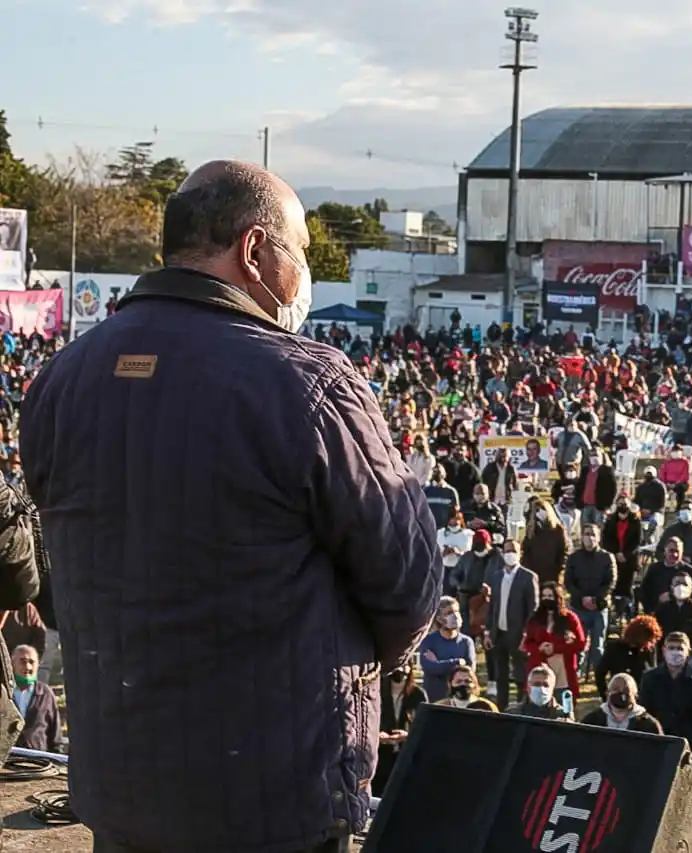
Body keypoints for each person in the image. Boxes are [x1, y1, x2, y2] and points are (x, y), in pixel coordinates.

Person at [21, 160, 443, 853]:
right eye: (300, 251)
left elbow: (58, 570)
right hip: (272, 795)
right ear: (253, 250)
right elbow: (408, 583)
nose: (303, 272)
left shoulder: (63, 378)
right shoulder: (308, 384)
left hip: (121, 786)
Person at [639, 632, 692, 767]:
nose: (675, 652)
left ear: (688, 652)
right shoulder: (650, 678)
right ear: (664, 650)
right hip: (656, 744)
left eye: (680, 648)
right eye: (671, 648)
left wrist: (679, 738)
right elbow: (644, 712)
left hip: (687, 746)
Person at [484, 539, 538, 711]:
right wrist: (488, 631)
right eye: (507, 550)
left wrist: (526, 634)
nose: (510, 554)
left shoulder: (528, 577)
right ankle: (502, 706)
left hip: (518, 633)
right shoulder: (496, 576)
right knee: (501, 673)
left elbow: (533, 608)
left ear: (520, 553)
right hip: (499, 632)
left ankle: (522, 705)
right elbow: (492, 606)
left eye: (513, 550)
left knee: (520, 672)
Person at [521, 581, 587, 711]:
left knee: (564, 709)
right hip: (540, 669)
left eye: (550, 596)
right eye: (544, 596)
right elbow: (527, 644)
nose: (547, 599)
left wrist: (556, 648)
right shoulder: (535, 619)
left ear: (558, 598)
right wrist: (539, 648)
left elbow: (580, 644)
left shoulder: (570, 619)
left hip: (563, 671)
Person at [564, 522, 616, 676]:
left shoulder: (607, 557)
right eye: (587, 534)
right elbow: (568, 582)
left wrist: (595, 599)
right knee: (578, 642)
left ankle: (599, 673)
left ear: (599, 537)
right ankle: (576, 672)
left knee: (598, 645)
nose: (590, 538)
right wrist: (582, 598)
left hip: (599, 607)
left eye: (593, 534)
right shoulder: (574, 558)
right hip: (578, 607)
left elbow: (610, 582)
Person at [371, 665, 426, 796]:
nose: (400, 671)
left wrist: (408, 735)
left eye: (405, 666)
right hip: (380, 754)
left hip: (405, 753)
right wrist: (375, 734)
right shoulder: (376, 692)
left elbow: (424, 724)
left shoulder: (417, 694)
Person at [417, 596, 477, 702]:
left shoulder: (466, 642)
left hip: (460, 699)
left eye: (456, 611)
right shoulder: (428, 641)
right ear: (439, 619)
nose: (455, 616)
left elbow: (469, 670)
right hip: (434, 697)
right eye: (449, 613)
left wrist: (439, 663)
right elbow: (429, 667)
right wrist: (458, 662)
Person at [11, 644, 61, 753]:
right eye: (22, 661)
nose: (28, 667)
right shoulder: (4, 692)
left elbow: (55, 737)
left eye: (32, 662)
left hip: (37, 764)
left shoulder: (46, 694)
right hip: (6, 762)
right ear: (12, 664)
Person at [594, 613, 660, 695]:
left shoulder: (649, 650)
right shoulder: (614, 648)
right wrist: (605, 694)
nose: (651, 644)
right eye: (648, 640)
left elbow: (653, 674)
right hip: (620, 695)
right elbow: (600, 673)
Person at [580, 673, 663, 734]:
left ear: (635, 695)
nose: (621, 692)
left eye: (626, 690)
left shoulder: (648, 725)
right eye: (615, 689)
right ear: (607, 692)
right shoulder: (592, 721)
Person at [601, 498, 643, 616]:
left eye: (625, 504)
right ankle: (614, 614)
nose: (622, 506)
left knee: (627, 589)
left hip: (629, 560)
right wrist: (615, 553)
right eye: (620, 504)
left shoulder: (635, 521)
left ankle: (629, 613)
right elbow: (606, 539)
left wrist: (625, 554)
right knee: (614, 588)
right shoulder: (610, 521)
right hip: (613, 560)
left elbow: (637, 541)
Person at [655, 567, 692, 654]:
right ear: (671, 587)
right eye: (677, 583)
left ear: (691, 588)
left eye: (685, 584)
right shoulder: (662, 609)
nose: (681, 587)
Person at [521, 497, 570, 585]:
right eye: (537, 510)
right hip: (534, 574)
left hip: (552, 574)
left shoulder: (557, 530)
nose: (540, 512)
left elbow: (563, 551)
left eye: (543, 509)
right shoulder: (531, 531)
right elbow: (526, 553)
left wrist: (560, 570)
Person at [507, 664, 573, 720]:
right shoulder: (513, 713)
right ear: (528, 687)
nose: (541, 688)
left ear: (552, 688)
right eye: (537, 684)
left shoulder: (562, 715)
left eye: (545, 685)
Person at [437, 509, 474, 596]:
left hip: (461, 570)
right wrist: (444, 553)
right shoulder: (440, 533)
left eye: (458, 519)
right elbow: (435, 554)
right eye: (452, 518)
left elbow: (470, 554)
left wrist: (458, 552)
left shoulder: (468, 534)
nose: (455, 521)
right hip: (444, 569)